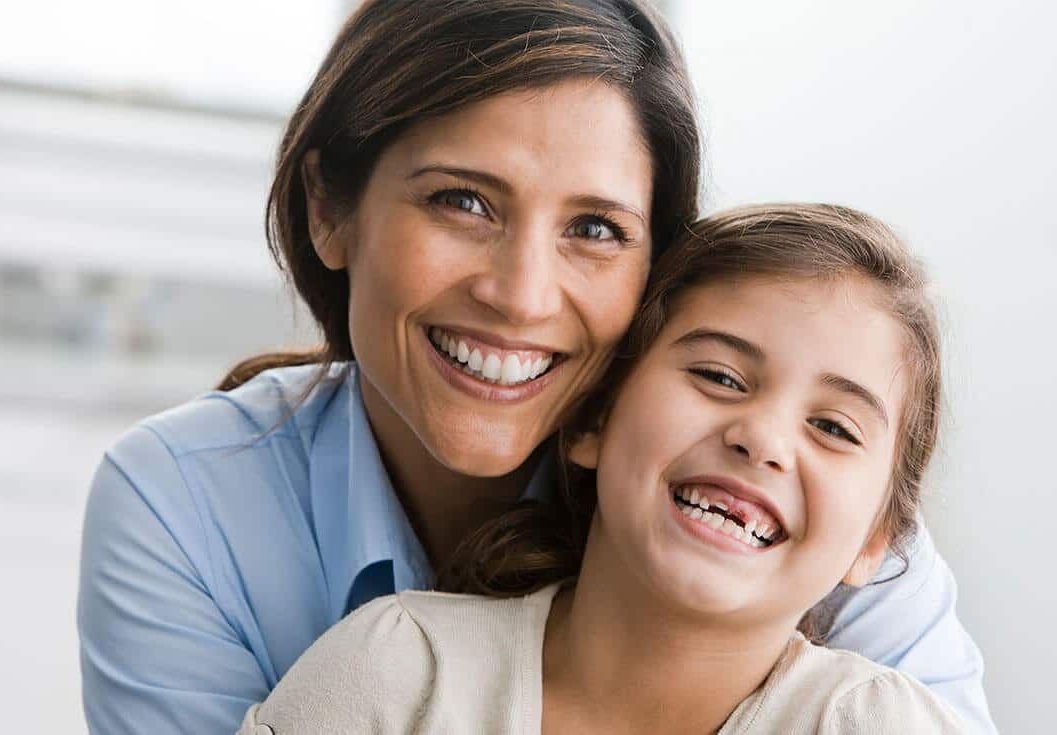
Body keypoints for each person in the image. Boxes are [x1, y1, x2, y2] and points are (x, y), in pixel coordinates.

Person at [76, 1, 994, 733]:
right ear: (330, 207)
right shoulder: (185, 509)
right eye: (463, 201)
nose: (522, 295)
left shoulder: (831, 554)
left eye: (595, 229)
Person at [235, 203, 965, 734]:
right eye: (718, 375)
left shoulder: (885, 724)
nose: (762, 437)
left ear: (878, 539)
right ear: (591, 416)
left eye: (834, 427)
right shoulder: (396, 672)